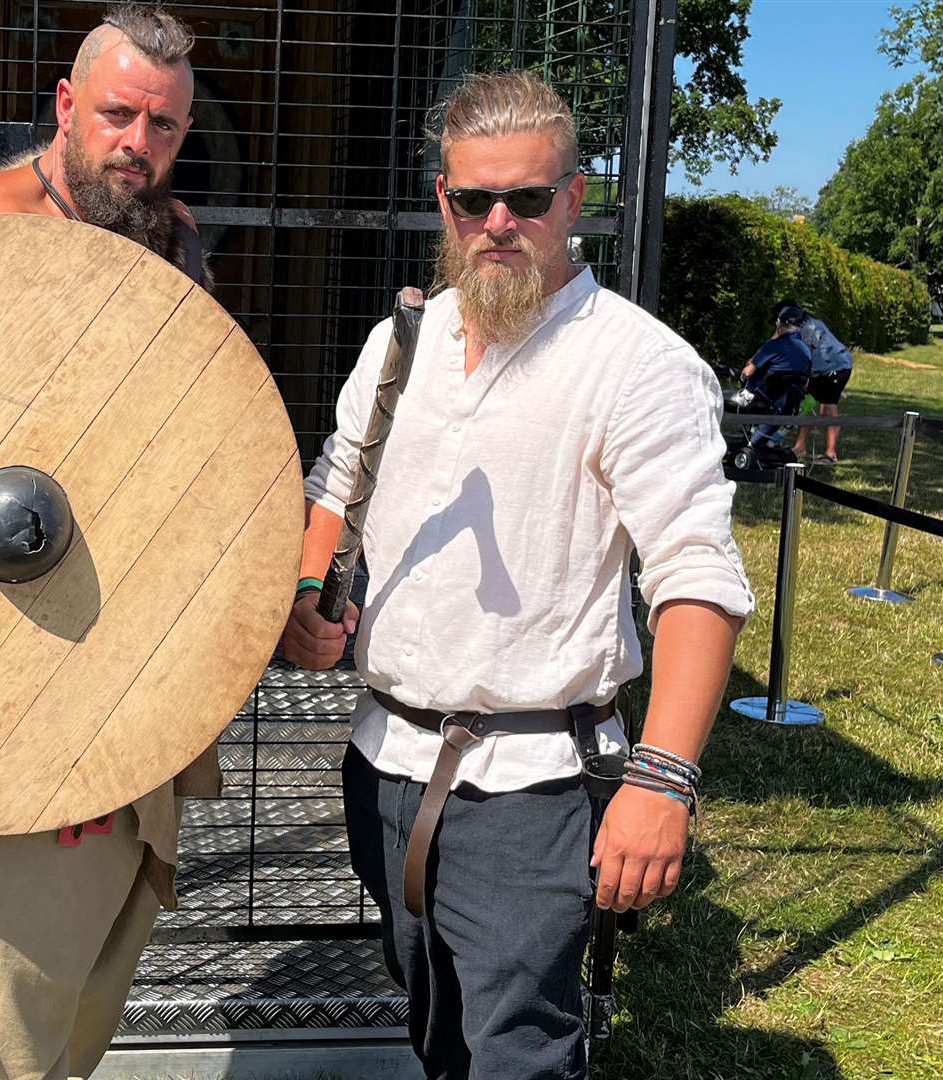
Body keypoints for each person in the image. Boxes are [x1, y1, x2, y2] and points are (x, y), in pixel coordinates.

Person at [279, 72, 754, 1079]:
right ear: (443, 200)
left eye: (527, 200)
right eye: (472, 199)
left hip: (531, 790)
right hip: (382, 765)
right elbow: (339, 485)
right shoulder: (399, 340)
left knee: (517, 1054)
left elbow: (697, 579)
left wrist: (663, 779)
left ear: (573, 200)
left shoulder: (636, 366)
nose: (499, 223)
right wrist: (310, 600)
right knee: (433, 1024)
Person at [0, 6, 218, 1078]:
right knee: (7, 1025)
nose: (141, 143)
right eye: (120, 114)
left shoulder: (168, 241)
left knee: (85, 1004)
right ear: (67, 106)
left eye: (165, 126)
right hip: (9, 675)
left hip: (138, 668)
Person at [772, 298, 854, 464]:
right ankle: (800, 447)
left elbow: (802, 353)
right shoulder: (798, 325)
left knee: (827, 410)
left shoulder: (808, 329)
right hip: (819, 370)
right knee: (806, 405)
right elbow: (776, 341)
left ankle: (831, 454)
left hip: (836, 367)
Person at [741, 305, 813, 450]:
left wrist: (743, 375)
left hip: (762, 401)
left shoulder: (773, 346)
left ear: (781, 323)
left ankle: (748, 443)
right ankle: (757, 442)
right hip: (787, 407)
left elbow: (747, 373)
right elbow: (806, 383)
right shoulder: (807, 351)